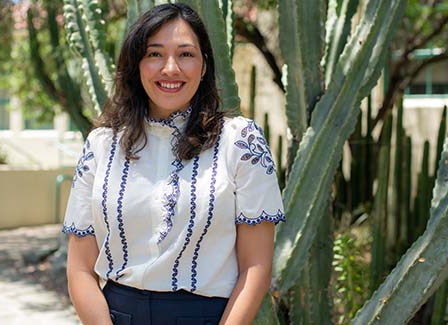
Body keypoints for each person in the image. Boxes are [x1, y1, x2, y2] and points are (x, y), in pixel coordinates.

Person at [62, 3, 285, 324]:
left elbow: (256, 268)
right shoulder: (101, 145)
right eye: (154, 54)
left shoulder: (240, 141)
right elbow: (80, 268)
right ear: (136, 63)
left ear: (205, 65)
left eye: (185, 54)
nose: (170, 68)